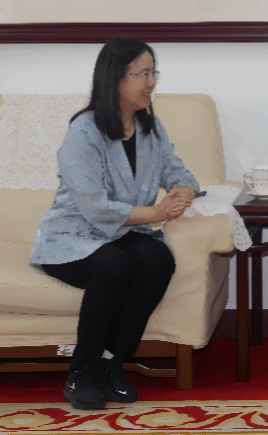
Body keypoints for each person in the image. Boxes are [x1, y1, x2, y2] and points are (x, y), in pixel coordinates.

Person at [30, 38, 198, 410]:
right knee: (114, 265)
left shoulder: (150, 128)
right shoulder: (83, 131)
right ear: (116, 78)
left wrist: (181, 194)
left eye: (154, 73)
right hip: (72, 236)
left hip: (123, 231)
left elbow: (180, 174)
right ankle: (80, 372)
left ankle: (111, 361)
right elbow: (94, 207)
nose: (152, 83)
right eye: (144, 74)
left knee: (158, 258)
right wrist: (156, 213)